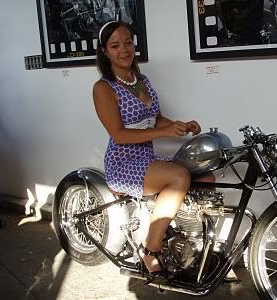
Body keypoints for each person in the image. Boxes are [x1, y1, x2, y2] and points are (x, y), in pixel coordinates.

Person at [92, 21, 201, 277]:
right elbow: (118, 134)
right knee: (179, 177)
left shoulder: (141, 80)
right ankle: (150, 250)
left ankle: (196, 244)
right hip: (123, 163)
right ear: (105, 51)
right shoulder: (103, 88)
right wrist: (163, 131)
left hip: (148, 157)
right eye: (115, 45)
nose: (124, 50)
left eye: (128, 42)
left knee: (202, 170)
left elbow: (156, 118)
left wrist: (179, 125)